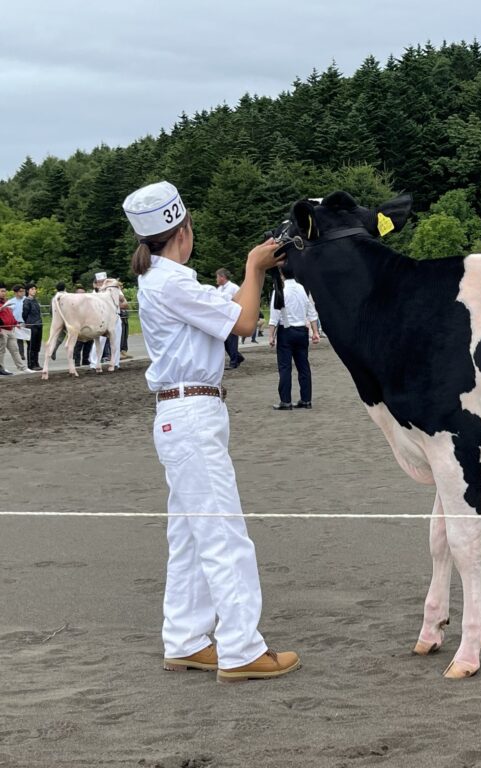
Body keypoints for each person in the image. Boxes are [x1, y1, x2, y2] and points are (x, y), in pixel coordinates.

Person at [124, 180, 299, 683]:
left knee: (189, 534)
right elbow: (245, 323)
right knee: (224, 533)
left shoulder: (158, 279)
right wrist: (254, 266)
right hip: (193, 413)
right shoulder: (173, 282)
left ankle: (185, 638)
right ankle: (242, 647)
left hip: (178, 414)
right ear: (184, 230)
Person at [268, 262, 320, 410]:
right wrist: (315, 332)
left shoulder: (280, 290)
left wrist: (271, 336)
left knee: (285, 367)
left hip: (286, 330)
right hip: (302, 331)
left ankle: (286, 401)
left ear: (282, 274)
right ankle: (306, 399)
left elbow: (274, 315)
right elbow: (311, 312)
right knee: (304, 366)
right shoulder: (303, 289)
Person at [215, 268, 244, 368]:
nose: (216, 279)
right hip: (222, 318)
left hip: (231, 316)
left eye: (217, 277)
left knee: (232, 340)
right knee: (225, 340)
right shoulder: (219, 289)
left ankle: (234, 361)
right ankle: (237, 357)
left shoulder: (233, 288)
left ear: (222, 277)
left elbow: (241, 300)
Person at [0, 285, 27, 374]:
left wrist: (16, 323)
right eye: (2, 291)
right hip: (2, 329)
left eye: (5, 291)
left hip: (10, 329)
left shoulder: (6, 302)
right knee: (1, 351)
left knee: (15, 349)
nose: (4, 293)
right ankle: (1, 369)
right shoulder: (4, 304)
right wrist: (1, 308)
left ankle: (22, 368)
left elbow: (10, 315)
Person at [22, 284, 43, 371]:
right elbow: (24, 314)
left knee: (37, 345)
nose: (34, 290)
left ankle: (36, 362)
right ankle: (31, 364)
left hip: (38, 324)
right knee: (31, 345)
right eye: (32, 289)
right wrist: (28, 322)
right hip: (31, 325)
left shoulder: (35, 301)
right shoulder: (26, 301)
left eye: (35, 289)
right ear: (28, 291)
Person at [50, 282, 67, 360]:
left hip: (57, 318)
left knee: (58, 336)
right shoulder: (68, 296)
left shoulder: (54, 298)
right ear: (65, 288)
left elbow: (51, 310)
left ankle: (54, 348)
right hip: (68, 319)